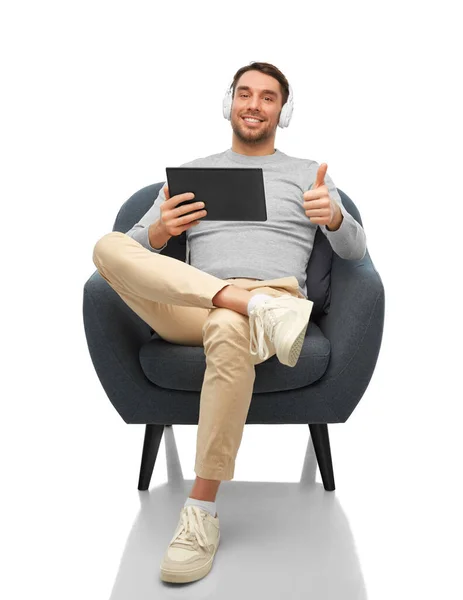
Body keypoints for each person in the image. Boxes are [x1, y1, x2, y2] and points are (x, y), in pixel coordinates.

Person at [92, 61, 366, 584]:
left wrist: (334, 217)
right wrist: (157, 233)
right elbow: (125, 252)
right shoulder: (190, 173)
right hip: (197, 303)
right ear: (229, 102)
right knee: (105, 246)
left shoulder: (308, 174)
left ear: (283, 111)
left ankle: (201, 511)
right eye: (245, 93)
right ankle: (242, 303)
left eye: (268, 97)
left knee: (226, 328)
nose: (254, 104)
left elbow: (355, 252)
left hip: (270, 297)